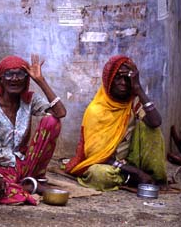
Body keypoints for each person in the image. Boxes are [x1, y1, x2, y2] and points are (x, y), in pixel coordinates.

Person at [0, 54, 66, 205]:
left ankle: (34, 179)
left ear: (26, 78)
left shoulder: (29, 100)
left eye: (20, 74)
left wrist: (40, 81)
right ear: (0, 79)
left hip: (21, 164)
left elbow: (60, 113)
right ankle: (30, 186)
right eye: (9, 74)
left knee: (52, 121)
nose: (14, 79)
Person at [65, 55, 167, 191]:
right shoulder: (96, 110)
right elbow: (98, 156)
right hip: (109, 164)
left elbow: (155, 122)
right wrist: (135, 172)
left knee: (149, 128)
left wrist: (138, 88)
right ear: (109, 80)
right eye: (118, 77)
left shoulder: (132, 103)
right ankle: (132, 179)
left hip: (132, 160)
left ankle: (155, 179)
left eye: (127, 78)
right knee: (98, 174)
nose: (123, 83)